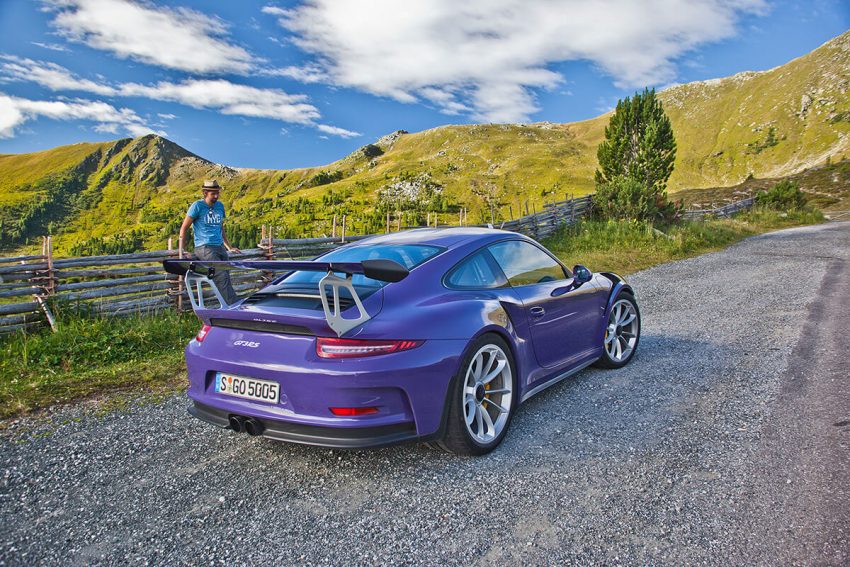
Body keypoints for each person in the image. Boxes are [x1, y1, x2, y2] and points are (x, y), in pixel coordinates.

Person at [179, 179, 241, 305]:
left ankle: (226, 307)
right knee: (221, 276)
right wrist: (181, 249)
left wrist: (228, 247)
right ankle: (235, 306)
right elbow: (184, 228)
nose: (216, 196)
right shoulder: (197, 206)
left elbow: (220, 227)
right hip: (204, 248)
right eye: (213, 193)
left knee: (226, 277)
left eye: (217, 193)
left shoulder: (220, 206)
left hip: (219, 247)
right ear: (205, 192)